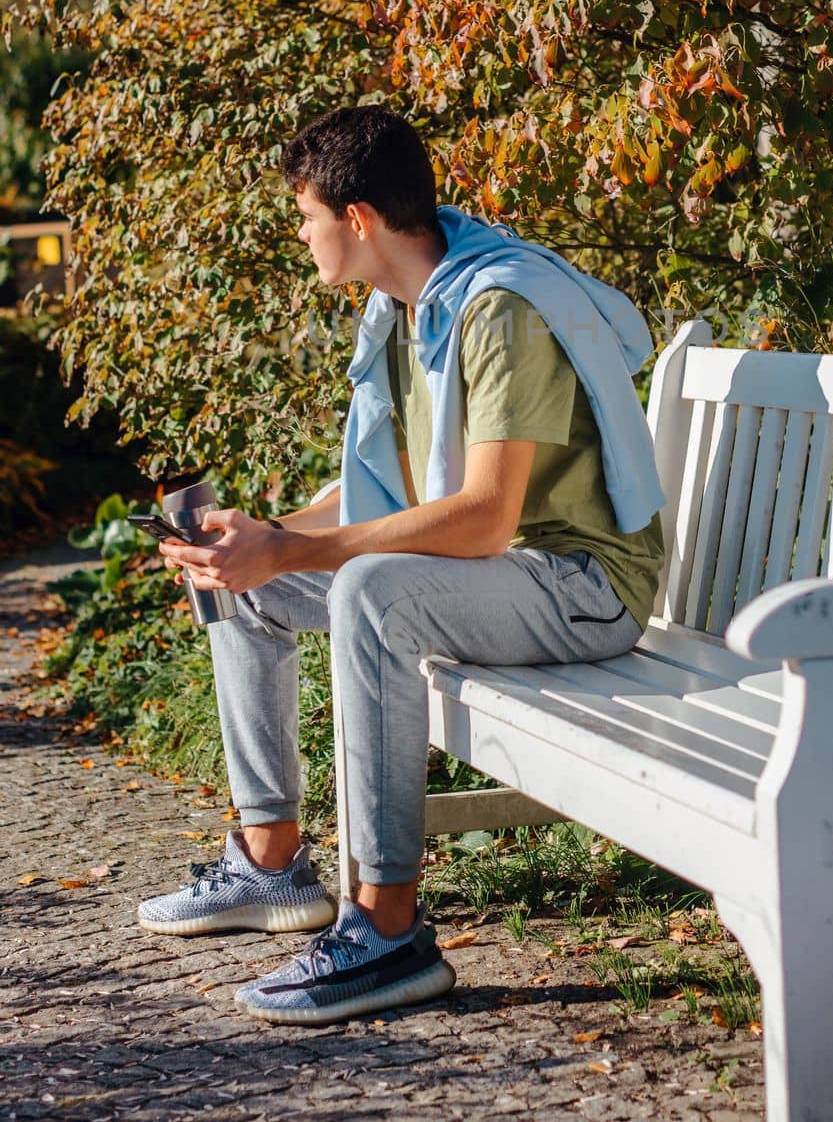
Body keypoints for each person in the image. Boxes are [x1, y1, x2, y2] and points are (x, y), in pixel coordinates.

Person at [138, 102, 665, 1026]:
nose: (302, 238)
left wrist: (299, 550)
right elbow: (399, 488)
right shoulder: (407, 305)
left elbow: (485, 517)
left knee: (370, 591)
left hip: (581, 586)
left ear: (357, 220)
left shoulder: (498, 306)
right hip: (500, 579)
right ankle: (270, 864)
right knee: (236, 583)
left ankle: (387, 929)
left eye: (305, 217)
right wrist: (266, 540)